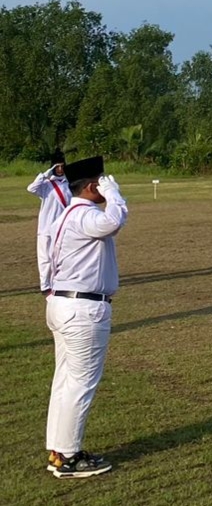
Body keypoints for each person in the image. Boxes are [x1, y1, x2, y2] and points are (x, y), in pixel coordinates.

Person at [44, 155, 128, 478]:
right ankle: (69, 456)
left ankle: (58, 450)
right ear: (93, 186)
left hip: (64, 303)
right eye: (102, 182)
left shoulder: (67, 215)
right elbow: (114, 222)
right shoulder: (85, 215)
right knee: (80, 384)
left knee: (65, 381)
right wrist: (115, 194)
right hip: (83, 308)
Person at [27, 151, 72, 294]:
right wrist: (46, 174)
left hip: (62, 227)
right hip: (46, 226)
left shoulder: (68, 183)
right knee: (45, 258)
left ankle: (57, 282)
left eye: (62, 166)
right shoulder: (46, 184)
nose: (60, 169)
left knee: (59, 256)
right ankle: (45, 285)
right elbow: (31, 188)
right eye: (57, 166)